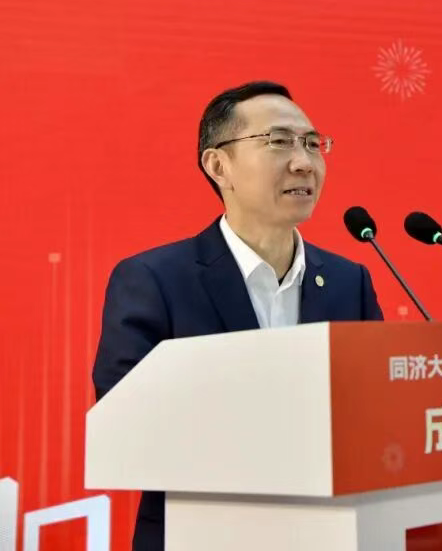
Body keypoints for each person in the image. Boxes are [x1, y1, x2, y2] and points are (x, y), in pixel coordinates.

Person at [91, 81, 383, 551]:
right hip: (200, 536)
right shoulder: (155, 279)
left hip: (329, 535)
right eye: (279, 141)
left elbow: (379, 414)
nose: (304, 162)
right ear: (218, 165)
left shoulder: (351, 282)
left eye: (312, 144)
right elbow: (125, 424)